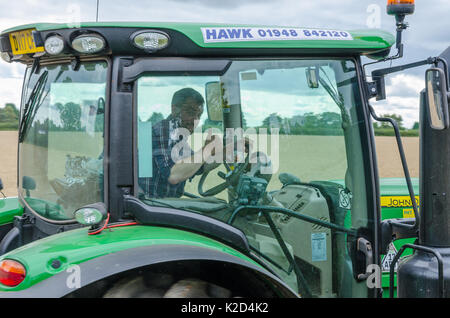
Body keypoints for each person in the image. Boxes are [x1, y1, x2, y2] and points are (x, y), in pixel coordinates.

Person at [139, 87, 221, 198]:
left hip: (163, 205)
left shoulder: (179, 137)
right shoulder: (163, 130)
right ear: (174, 110)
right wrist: (206, 149)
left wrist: (227, 151)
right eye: (191, 112)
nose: (195, 120)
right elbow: (173, 175)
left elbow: (198, 166)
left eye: (199, 116)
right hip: (151, 206)